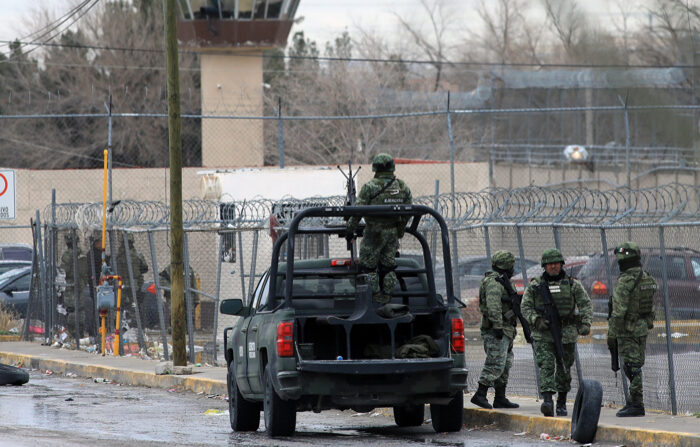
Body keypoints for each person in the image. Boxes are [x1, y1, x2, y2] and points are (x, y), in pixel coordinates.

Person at [522, 248, 592, 417]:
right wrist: (536, 320)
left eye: (556, 264)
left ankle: (561, 402)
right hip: (544, 333)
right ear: (544, 266)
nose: (553, 267)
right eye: (549, 264)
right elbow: (525, 306)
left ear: (561, 265)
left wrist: (585, 323)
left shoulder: (573, 284)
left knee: (564, 367)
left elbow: (585, 305)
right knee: (546, 365)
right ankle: (547, 401)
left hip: (566, 332)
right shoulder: (536, 285)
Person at [346, 153, 412, 304]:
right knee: (389, 267)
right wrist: (400, 230)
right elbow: (408, 212)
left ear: (375, 167)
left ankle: (375, 298)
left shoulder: (370, 187)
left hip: (373, 233)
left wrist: (349, 230)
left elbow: (357, 211)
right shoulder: (402, 187)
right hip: (392, 232)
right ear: (392, 167)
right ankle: (387, 297)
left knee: (368, 267)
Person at [608, 242, 657, 417]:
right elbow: (650, 304)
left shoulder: (625, 281)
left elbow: (618, 311)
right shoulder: (647, 278)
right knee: (635, 364)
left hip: (627, 330)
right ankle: (633, 401)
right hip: (642, 327)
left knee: (631, 366)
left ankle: (637, 404)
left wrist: (611, 334)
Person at [470, 250, 520, 410]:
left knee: (505, 364)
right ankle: (480, 394)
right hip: (496, 329)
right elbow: (493, 307)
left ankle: (500, 397)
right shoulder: (493, 282)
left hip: (506, 329)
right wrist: (498, 326)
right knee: (495, 363)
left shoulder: (503, 281)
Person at [115, 233, 149, 326]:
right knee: (134, 304)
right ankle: (135, 324)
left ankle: (121, 323)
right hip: (134, 284)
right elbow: (145, 268)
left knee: (121, 305)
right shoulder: (137, 255)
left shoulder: (118, 256)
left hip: (121, 284)